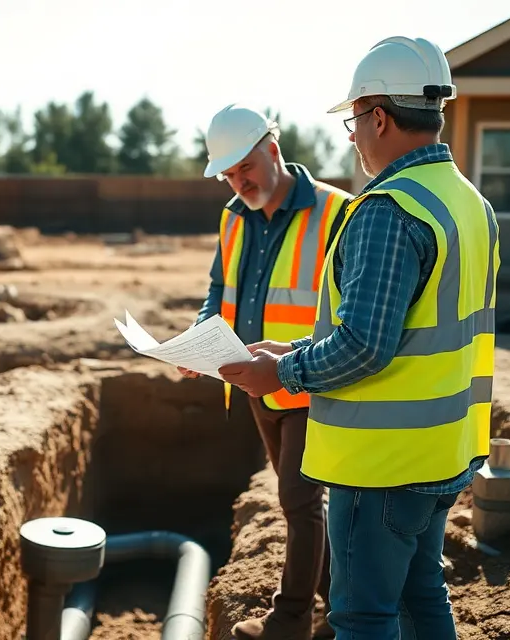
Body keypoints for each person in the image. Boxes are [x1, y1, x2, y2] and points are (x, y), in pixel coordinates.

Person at [217, 36, 500, 640]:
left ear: (379, 117)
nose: (351, 137)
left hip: (382, 465)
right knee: (423, 596)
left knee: (363, 616)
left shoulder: (386, 209)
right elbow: (411, 329)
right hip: (443, 449)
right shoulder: (469, 204)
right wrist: (289, 351)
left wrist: (283, 373)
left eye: (353, 121)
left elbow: (367, 346)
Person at [184, 103, 351, 640]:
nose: (238, 182)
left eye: (245, 168)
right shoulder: (233, 216)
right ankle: (344, 610)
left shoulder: (336, 211)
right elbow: (220, 288)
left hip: (308, 377)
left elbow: (356, 308)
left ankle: (290, 621)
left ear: (272, 150)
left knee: (300, 503)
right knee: (297, 499)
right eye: (228, 174)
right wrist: (199, 336)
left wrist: (304, 362)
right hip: (254, 383)